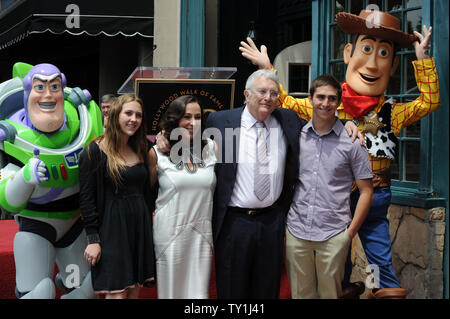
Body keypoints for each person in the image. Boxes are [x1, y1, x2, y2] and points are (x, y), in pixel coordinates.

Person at [240, 9, 440, 298]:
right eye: (366, 49)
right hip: (333, 199)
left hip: (374, 192)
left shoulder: (392, 112)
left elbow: (429, 102)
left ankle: (381, 289)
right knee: (337, 264)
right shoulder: (329, 104)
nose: (372, 63)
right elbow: (283, 100)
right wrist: (266, 67)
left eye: (383, 53)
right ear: (348, 52)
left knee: (379, 258)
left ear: (393, 66)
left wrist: (423, 61)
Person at [0, 62, 102, 299]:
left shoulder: (80, 124)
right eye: (40, 87)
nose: (48, 94)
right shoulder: (12, 139)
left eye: (54, 86)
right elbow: (7, 200)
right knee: (38, 292)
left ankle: (66, 280)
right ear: (28, 93)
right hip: (35, 227)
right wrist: (25, 177)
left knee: (83, 288)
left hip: (74, 227)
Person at [285, 74, 373, 299]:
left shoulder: (352, 141)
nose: (325, 103)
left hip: (334, 233)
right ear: (310, 99)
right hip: (297, 230)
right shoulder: (297, 136)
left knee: (330, 295)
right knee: (301, 295)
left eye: (331, 98)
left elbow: (366, 191)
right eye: (320, 97)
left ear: (339, 102)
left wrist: (349, 233)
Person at [79, 93, 155, 299]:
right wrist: (93, 239)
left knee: (134, 290)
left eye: (138, 115)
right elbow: (86, 199)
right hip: (111, 228)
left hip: (139, 227)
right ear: (115, 114)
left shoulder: (142, 148)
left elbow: (149, 191)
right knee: (117, 293)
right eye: (128, 113)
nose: (134, 119)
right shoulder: (93, 151)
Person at [148, 95, 217, 299]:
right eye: (187, 116)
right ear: (175, 119)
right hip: (169, 235)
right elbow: (147, 194)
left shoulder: (212, 149)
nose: (193, 122)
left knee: (198, 295)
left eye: (197, 117)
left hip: (202, 234)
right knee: (171, 293)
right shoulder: (156, 153)